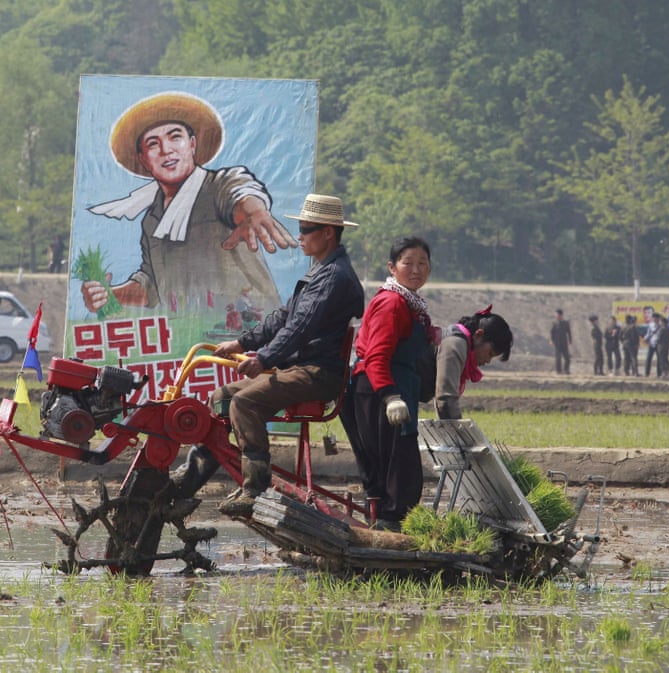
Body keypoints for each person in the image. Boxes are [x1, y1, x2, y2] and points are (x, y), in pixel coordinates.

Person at [169, 194, 364, 517]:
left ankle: (255, 487)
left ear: (328, 232)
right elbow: (282, 319)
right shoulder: (320, 273)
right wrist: (242, 343)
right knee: (221, 398)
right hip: (300, 368)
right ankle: (189, 480)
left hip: (317, 373)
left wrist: (264, 359)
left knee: (245, 403)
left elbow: (300, 328)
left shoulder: (334, 278)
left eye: (306, 229)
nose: (299, 236)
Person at [81, 92, 295, 316]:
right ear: (143, 159)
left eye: (175, 137)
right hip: (192, 341)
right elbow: (153, 286)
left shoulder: (218, 186)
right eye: (153, 144)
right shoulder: (152, 221)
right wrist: (108, 295)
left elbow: (240, 192)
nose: (166, 150)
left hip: (250, 335)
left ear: (192, 144)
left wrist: (253, 212)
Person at [340, 236, 438, 531]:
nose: (416, 269)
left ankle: (388, 521)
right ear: (392, 267)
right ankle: (390, 526)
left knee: (394, 462)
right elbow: (376, 356)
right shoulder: (392, 303)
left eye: (423, 263)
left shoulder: (410, 304)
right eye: (408, 263)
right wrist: (389, 396)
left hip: (392, 389)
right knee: (396, 463)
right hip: (379, 392)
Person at [434, 307, 514, 420]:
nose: (488, 361)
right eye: (490, 353)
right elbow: (446, 401)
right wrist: (462, 435)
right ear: (478, 335)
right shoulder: (455, 345)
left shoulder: (460, 344)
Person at [550, 309, 572, 374]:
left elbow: (569, 332)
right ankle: (558, 371)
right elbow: (552, 332)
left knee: (567, 358)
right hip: (557, 343)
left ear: (561, 315)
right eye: (555, 315)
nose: (556, 316)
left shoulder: (566, 323)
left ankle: (566, 370)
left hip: (564, 343)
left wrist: (570, 340)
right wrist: (551, 340)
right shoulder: (554, 323)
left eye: (557, 315)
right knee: (558, 358)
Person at [644, 310, 660, 377]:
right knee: (648, 358)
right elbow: (648, 333)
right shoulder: (650, 325)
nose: (655, 319)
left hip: (658, 344)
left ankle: (659, 373)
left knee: (659, 359)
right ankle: (647, 373)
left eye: (656, 318)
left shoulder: (660, 325)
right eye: (654, 318)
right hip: (651, 343)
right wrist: (646, 338)